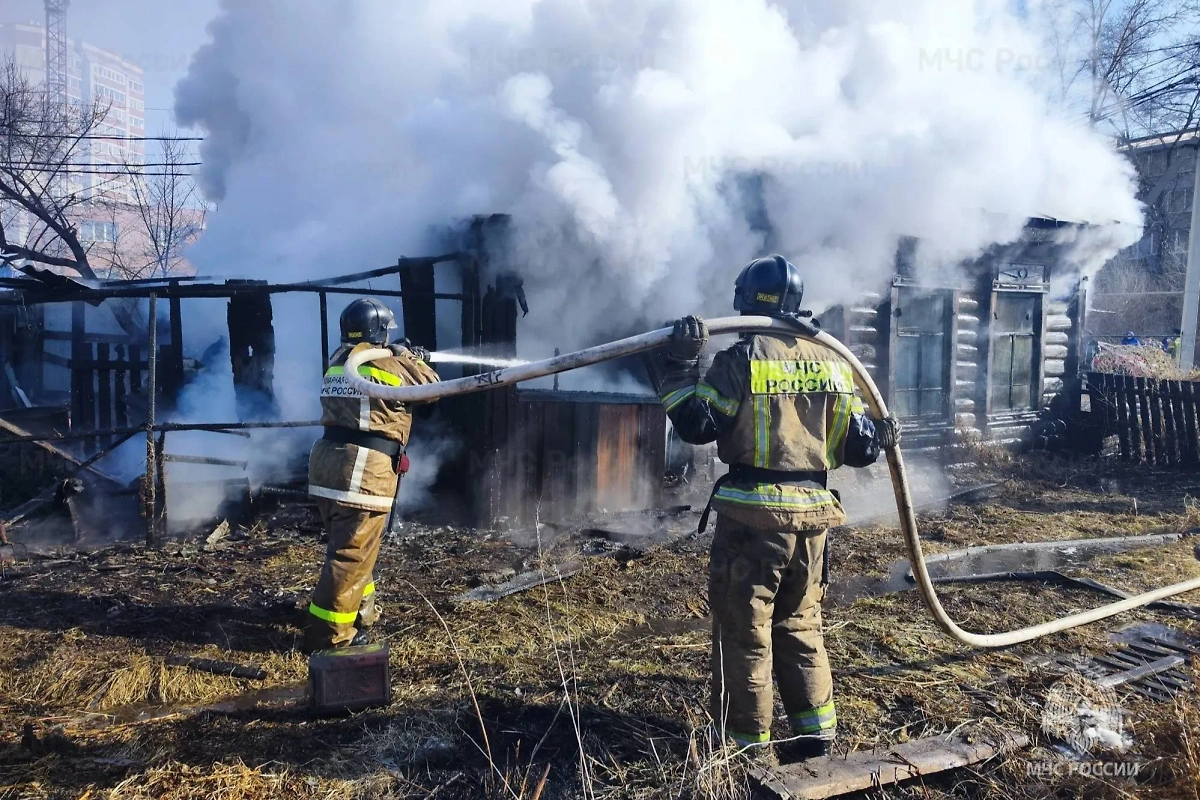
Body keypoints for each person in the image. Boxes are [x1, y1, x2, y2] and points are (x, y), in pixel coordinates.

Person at [654, 255, 898, 764]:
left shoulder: (741, 358)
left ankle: (746, 752)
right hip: (813, 523)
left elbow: (698, 425)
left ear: (744, 300)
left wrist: (678, 367)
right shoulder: (831, 359)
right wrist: (883, 431)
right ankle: (816, 738)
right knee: (801, 623)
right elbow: (860, 448)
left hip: (753, 521)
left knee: (745, 631)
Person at [305, 298, 440, 652]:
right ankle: (331, 637)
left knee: (353, 548)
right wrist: (412, 357)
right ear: (380, 332)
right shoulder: (387, 365)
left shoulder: (338, 361)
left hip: (327, 466)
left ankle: (360, 615)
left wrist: (397, 353)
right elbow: (431, 386)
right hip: (361, 472)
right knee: (351, 553)